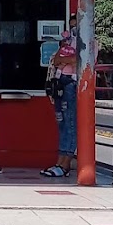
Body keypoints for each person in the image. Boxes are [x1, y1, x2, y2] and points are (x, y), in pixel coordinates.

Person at [42, 30, 78, 178]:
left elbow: (79, 60)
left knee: (70, 123)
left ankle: (66, 163)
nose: (73, 32)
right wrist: (66, 57)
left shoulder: (89, 43)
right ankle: (59, 162)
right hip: (60, 82)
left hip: (72, 83)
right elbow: (56, 61)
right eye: (71, 27)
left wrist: (67, 59)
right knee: (61, 122)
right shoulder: (65, 44)